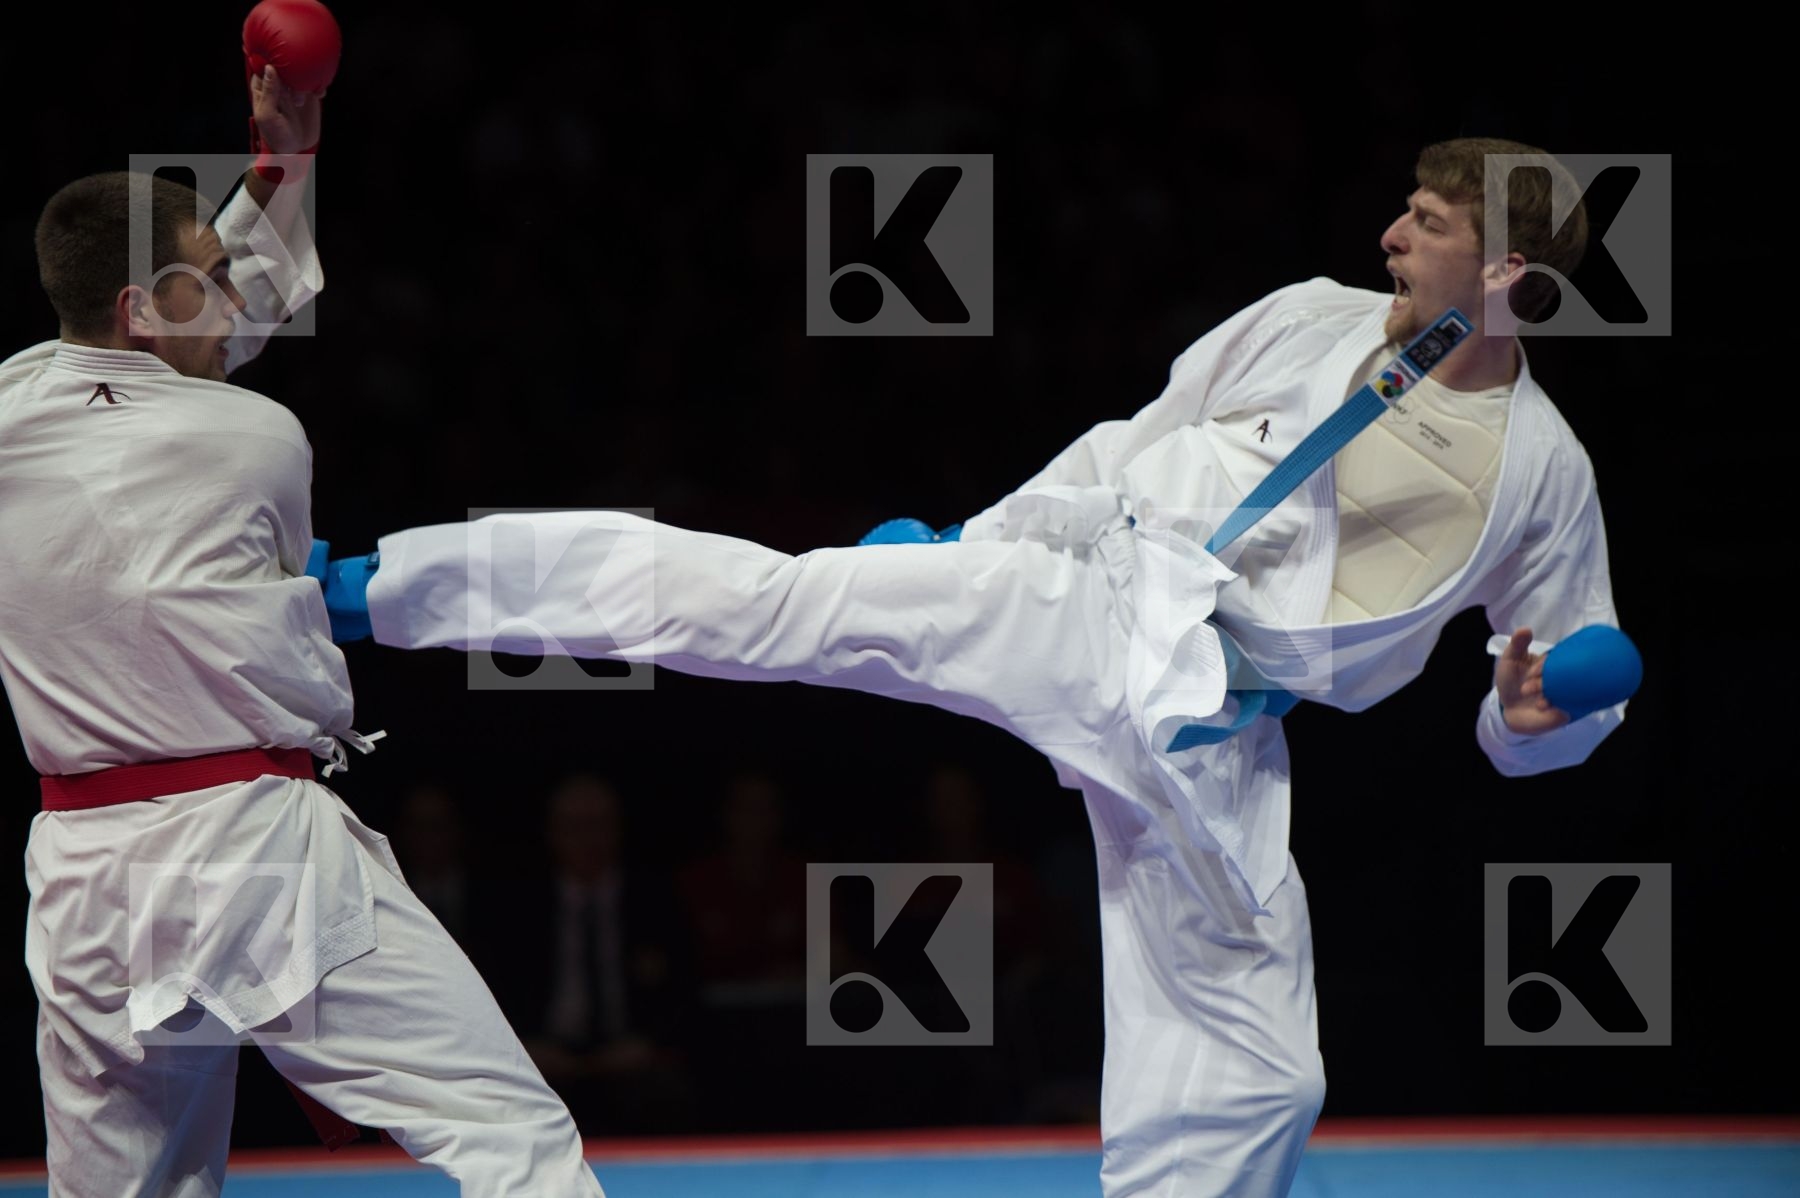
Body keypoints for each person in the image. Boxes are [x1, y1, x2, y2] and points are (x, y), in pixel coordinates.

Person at [349, 137, 1624, 1197]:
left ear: (1505, 268)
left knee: (1264, 1076)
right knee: (766, 601)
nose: (1393, 234)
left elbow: (1563, 692)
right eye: (1405, 208)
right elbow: (1143, 436)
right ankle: (376, 587)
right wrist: (983, 535)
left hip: (1215, 728)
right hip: (1085, 597)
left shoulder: (1545, 473)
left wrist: (1529, 719)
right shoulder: (1309, 315)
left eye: (1428, 220)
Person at [0, 61, 605, 1198]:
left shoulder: (14, 408)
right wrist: (286, 162)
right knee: (508, 1134)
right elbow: (226, 343)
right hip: (248, 854)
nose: (235, 304)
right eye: (210, 285)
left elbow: (196, 323)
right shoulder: (255, 435)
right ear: (145, 307)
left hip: (83, 878)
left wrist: (280, 166)